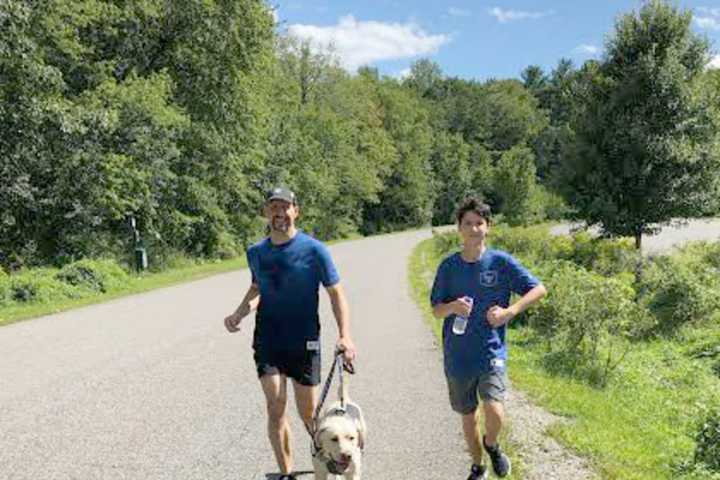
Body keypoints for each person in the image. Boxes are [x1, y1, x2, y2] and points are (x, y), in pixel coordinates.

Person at [224, 187, 357, 480]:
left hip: (304, 340)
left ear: (296, 211)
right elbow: (258, 288)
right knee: (275, 406)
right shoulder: (256, 252)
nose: (279, 213)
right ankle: (286, 473)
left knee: (309, 414)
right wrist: (239, 312)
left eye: (285, 207)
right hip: (268, 341)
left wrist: (345, 335)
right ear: (265, 213)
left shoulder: (314, 250)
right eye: (273, 207)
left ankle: (329, 459)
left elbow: (336, 294)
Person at [430, 197, 547, 480]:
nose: (473, 229)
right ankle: (478, 466)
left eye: (479, 223)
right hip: (458, 356)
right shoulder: (448, 267)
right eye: (467, 224)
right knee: (468, 416)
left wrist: (510, 311)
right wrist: (453, 307)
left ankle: (492, 444)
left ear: (488, 227)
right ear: (458, 228)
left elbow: (538, 289)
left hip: (491, 351)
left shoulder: (501, 263)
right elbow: (436, 310)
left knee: (494, 409)